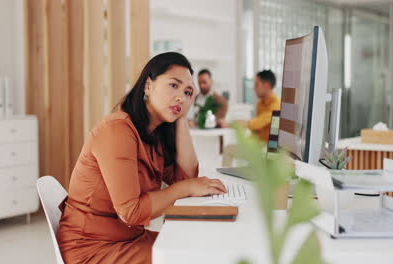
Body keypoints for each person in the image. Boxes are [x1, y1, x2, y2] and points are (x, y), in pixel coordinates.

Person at [57, 52, 227, 264]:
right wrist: (188, 187)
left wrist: (181, 117)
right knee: (191, 257)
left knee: (199, 248)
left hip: (128, 239)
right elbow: (132, 211)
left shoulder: (153, 133)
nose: (181, 97)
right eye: (174, 86)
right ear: (148, 85)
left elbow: (186, 178)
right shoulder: (117, 130)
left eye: (187, 92)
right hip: (92, 248)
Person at [246, 70, 281, 142]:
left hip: (271, 149)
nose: (254, 88)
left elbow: (255, 124)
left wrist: (231, 124)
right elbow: (256, 131)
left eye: (256, 84)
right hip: (260, 146)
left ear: (266, 85)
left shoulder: (277, 106)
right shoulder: (260, 104)